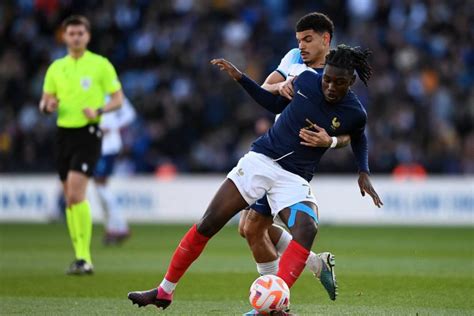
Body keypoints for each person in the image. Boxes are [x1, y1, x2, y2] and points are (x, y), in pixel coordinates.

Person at [127, 44, 382, 312]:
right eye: (327, 79)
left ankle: (271, 307)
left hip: (294, 177)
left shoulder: (355, 112)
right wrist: (241, 78)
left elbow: (358, 137)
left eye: (339, 83)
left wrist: (363, 171)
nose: (330, 87)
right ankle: (164, 292)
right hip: (260, 161)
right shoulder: (307, 79)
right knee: (208, 223)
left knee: (307, 229)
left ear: (351, 81)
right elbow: (273, 103)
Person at [239, 12, 381, 303]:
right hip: (272, 149)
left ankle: (276, 299)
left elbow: (352, 133)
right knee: (248, 228)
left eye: (308, 39)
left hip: (294, 160)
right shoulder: (293, 58)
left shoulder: (334, 75)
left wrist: (329, 141)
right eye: (299, 40)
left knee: (253, 228)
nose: (301, 46)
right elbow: (267, 91)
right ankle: (313, 266)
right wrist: (280, 87)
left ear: (325, 40)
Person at [39, 15, 123, 275]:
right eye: (71, 33)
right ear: (64, 37)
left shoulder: (100, 65)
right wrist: (47, 106)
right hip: (63, 134)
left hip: (88, 133)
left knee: (76, 194)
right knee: (69, 199)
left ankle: (85, 258)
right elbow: (45, 102)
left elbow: (118, 99)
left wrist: (98, 109)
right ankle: (79, 256)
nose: (76, 37)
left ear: (87, 36)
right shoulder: (56, 68)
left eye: (80, 33)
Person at [94, 97, 136, 245]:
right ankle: (113, 227)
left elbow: (130, 113)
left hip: (108, 147)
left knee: (101, 186)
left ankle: (119, 227)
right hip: (97, 146)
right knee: (100, 188)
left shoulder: (111, 92)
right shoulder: (93, 90)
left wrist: (112, 126)